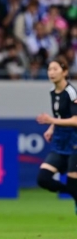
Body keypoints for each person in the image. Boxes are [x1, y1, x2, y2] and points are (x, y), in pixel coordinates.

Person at [36, 58, 77, 212]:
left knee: (73, 183)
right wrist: (52, 128)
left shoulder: (71, 92)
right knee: (43, 179)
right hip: (60, 143)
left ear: (64, 72)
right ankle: (74, 193)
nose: (51, 73)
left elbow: (75, 120)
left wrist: (50, 120)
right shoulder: (53, 92)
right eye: (49, 69)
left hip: (74, 143)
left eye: (55, 69)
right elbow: (61, 115)